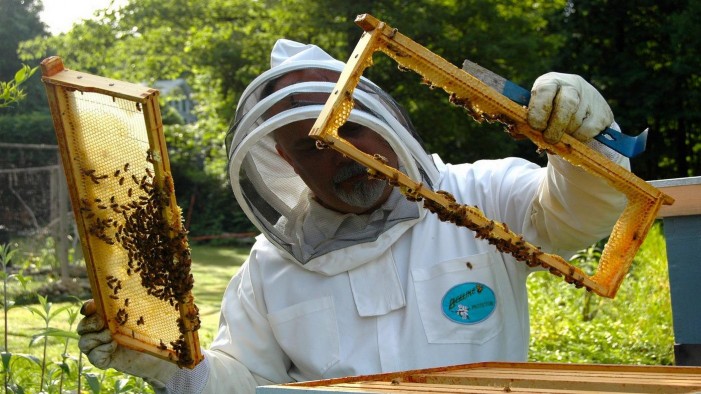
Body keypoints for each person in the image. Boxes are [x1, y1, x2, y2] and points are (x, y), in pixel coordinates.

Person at [77, 39, 629, 393]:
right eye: (313, 147)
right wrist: (168, 366)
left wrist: (586, 145)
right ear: (285, 159)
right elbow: (243, 381)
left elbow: (577, 215)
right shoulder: (270, 270)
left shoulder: (480, 194)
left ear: (380, 119)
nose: (342, 156)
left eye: (348, 130)